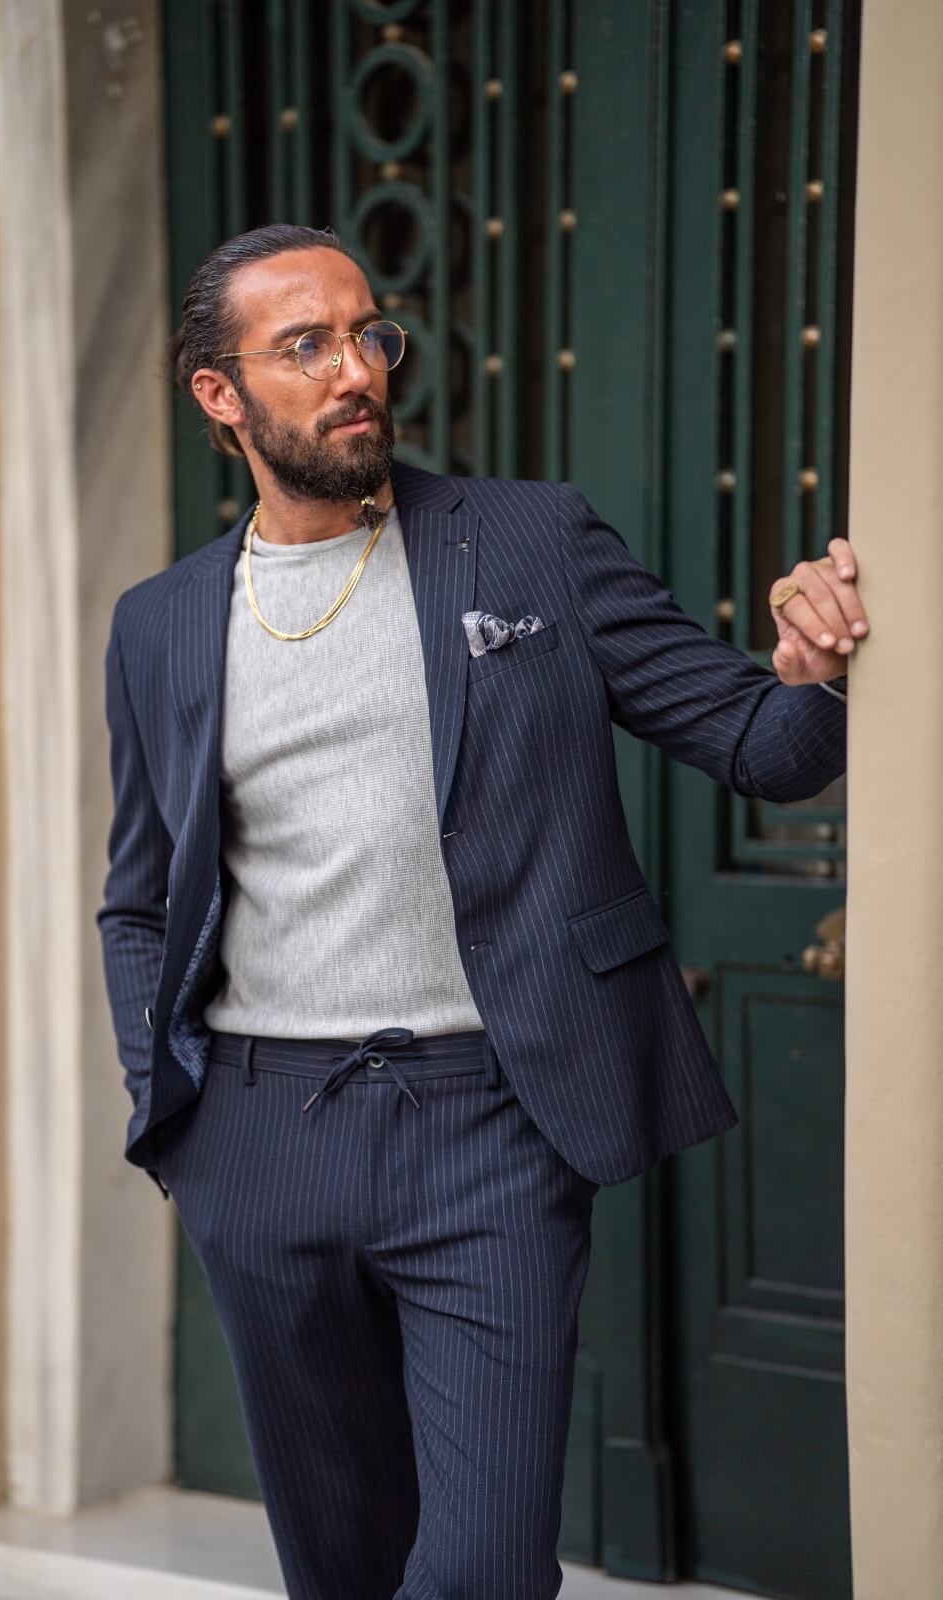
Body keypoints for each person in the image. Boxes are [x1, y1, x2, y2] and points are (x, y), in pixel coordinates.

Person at [96, 223, 867, 1600]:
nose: (357, 370)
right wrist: (177, 1118)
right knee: (339, 1566)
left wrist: (808, 674)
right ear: (218, 393)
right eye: (306, 346)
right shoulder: (159, 624)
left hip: (487, 1127)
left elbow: (757, 746)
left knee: (481, 1570)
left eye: (368, 334)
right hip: (259, 1140)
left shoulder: (524, 542)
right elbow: (141, 899)